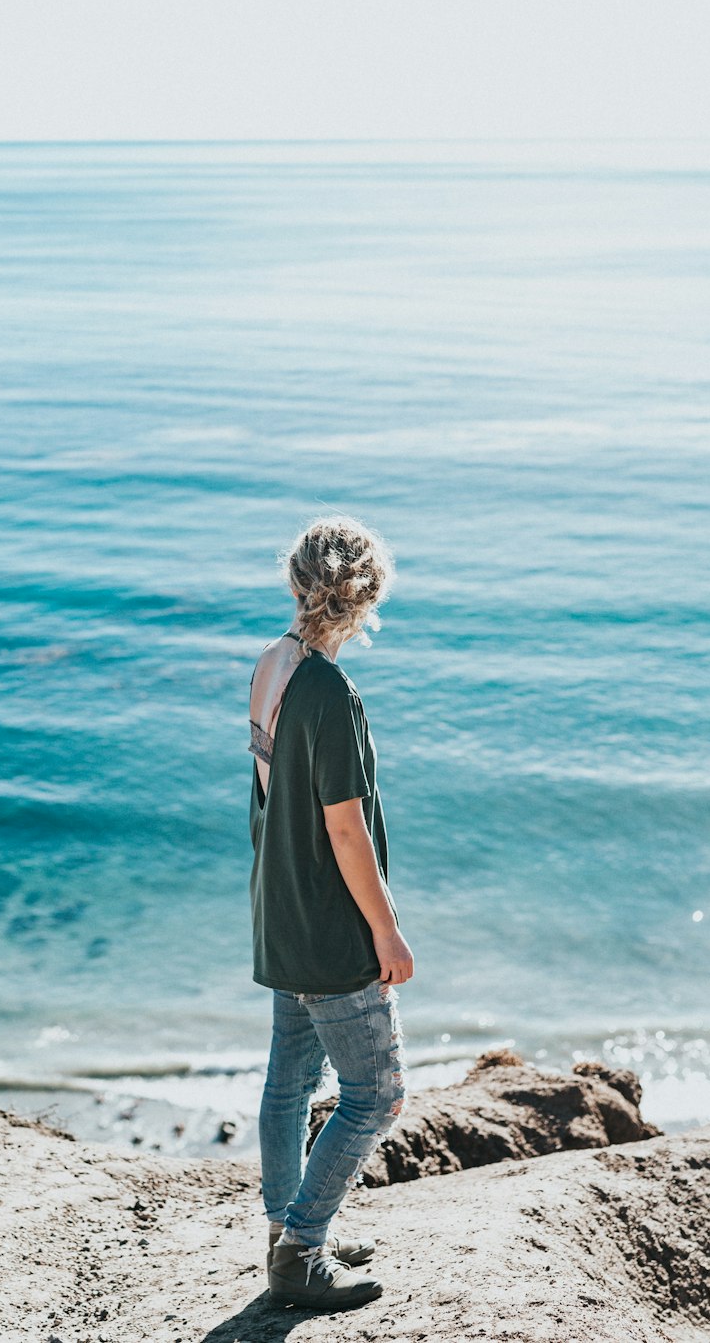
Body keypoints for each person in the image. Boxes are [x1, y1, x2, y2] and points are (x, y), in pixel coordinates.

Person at [247, 515, 414, 1312]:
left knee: (289, 1082)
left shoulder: (272, 666)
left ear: (296, 581)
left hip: (278, 910)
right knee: (377, 1093)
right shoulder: (332, 691)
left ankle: (288, 1228)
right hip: (327, 923)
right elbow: (344, 830)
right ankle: (302, 1250)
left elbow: (272, 799)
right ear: (366, 597)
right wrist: (384, 929)